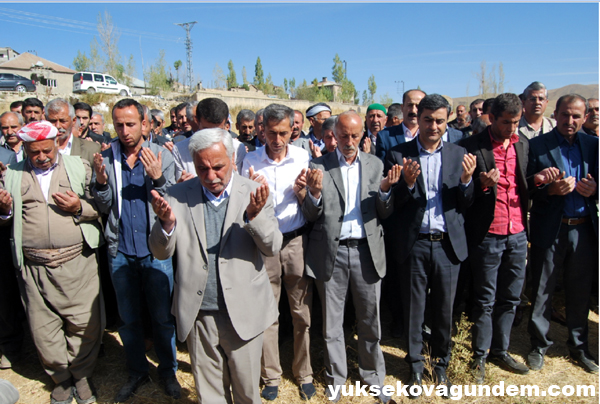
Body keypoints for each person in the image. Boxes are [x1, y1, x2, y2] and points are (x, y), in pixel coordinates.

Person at [148, 128, 281, 404]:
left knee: (247, 392)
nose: (210, 176)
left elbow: (272, 247)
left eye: (218, 167)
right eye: (202, 168)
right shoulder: (176, 195)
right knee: (210, 395)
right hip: (199, 314)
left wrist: (254, 218)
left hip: (243, 312)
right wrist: (166, 225)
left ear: (233, 159)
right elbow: (160, 253)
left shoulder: (255, 192)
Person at [0, 121, 104, 404]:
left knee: (85, 324)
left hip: (77, 263)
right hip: (34, 268)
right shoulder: (12, 176)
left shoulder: (78, 168)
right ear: (25, 149)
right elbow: (5, 219)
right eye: (35, 153)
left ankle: (82, 375)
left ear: (58, 143)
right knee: (43, 327)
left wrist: (79, 208)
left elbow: (103, 208)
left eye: (47, 150)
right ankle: (61, 379)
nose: (42, 157)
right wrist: (5, 211)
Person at [303, 110, 398, 403]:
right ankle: (336, 381)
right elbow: (310, 215)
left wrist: (384, 192)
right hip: (331, 253)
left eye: (355, 136)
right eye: (343, 135)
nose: (349, 141)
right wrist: (314, 194)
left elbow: (385, 213)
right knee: (332, 324)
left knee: (370, 321)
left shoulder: (375, 164)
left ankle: (373, 377)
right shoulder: (318, 166)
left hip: (366, 252)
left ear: (363, 135)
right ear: (333, 134)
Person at [385, 94, 476, 398]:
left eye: (439, 120)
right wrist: (407, 185)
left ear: (447, 121)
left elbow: (465, 204)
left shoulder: (458, 153)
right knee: (414, 310)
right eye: (428, 119)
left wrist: (466, 181)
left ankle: (440, 365)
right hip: (415, 245)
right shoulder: (398, 155)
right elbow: (392, 206)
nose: (433, 126)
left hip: (448, 246)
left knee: (443, 310)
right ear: (418, 118)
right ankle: (413, 366)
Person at [461, 93, 555, 383]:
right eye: (506, 123)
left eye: (516, 122)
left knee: (511, 297)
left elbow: (522, 186)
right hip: (488, 234)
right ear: (491, 118)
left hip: (516, 233)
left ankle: (500, 350)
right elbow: (459, 195)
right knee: (485, 299)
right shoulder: (470, 147)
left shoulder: (522, 145)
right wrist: (480, 185)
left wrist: (537, 181)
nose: (512, 128)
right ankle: (479, 355)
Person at [91, 98, 180, 402]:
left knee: (162, 318)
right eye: (119, 124)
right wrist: (101, 183)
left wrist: (157, 177)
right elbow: (103, 206)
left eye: (131, 124)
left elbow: (173, 204)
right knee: (128, 319)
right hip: (121, 252)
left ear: (144, 124)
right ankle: (137, 372)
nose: (125, 130)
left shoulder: (161, 155)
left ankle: (168, 373)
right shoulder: (106, 157)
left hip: (155, 252)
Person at [241, 104, 314, 401]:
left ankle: (304, 373)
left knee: (301, 313)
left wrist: (305, 191)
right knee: (268, 313)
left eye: (284, 132)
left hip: (296, 242)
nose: (278, 139)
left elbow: (308, 199)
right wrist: (251, 192)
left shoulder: (302, 156)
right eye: (271, 132)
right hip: (264, 244)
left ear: (291, 129)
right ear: (262, 129)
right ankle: (270, 375)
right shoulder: (249, 161)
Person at [526, 94, 599, 374]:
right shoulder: (537, 145)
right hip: (551, 228)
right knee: (543, 287)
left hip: (583, 229)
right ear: (555, 114)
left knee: (579, 291)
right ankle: (539, 344)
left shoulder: (594, 146)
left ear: (585, 118)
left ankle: (579, 346)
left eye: (576, 116)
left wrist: (595, 191)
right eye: (565, 115)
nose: (570, 121)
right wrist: (550, 190)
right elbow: (528, 187)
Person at [172, 98, 247, 182]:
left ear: (226, 123)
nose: (212, 137)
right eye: (207, 130)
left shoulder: (237, 148)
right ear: (197, 121)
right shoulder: (180, 150)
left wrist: (234, 173)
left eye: (218, 130)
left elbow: (241, 187)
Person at [376, 89, 426, 162]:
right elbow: (381, 169)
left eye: (418, 106)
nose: (413, 110)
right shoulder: (385, 136)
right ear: (402, 108)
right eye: (410, 105)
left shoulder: (430, 135)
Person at [45, 98, 100, 164]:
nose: (58, 126)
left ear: (73, 121)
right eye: (53, 121)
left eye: (63, 121)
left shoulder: (91, 149)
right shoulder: (35, 149)